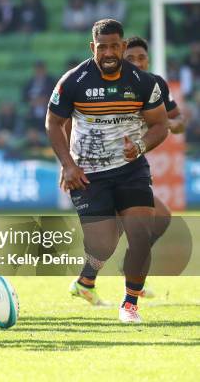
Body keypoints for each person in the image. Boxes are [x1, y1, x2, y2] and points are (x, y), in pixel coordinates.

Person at [45, 19, 168, 323]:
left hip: (131, 168)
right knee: (103, 244)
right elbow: (53, 122)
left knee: (141, 234)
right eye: (103, 47)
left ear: (123, 46)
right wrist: (68, 165)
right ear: (93, 48)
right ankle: (87, 280)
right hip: (89, 174)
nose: (109, 52)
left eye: (115, 45)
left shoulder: (142, 82)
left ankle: (129, 304)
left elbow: (160, 125)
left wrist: (139, 147)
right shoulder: (74, 81)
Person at [70, 36, 187, 302]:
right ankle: (95, 279)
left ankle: (92, 279)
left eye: (140, 58)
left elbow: (176, 118)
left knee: (160, 218)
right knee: (116, 233)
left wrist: (170, 124)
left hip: (130, 166)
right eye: (130, 58)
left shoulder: (153, 85)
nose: (135, 62)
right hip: (101, 169)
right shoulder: (109, 85)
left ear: (148, 60)